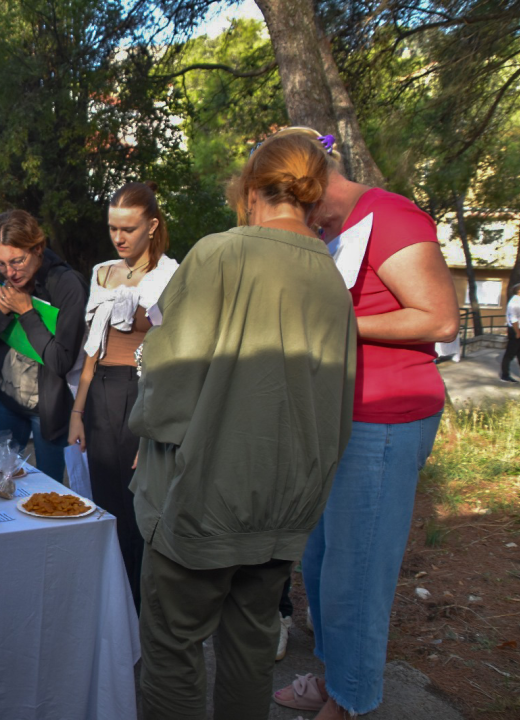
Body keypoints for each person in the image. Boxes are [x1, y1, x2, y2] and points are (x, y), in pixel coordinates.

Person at [131, 132, 357, 720]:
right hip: (286, 503)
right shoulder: (332, 278)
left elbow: (169, 382)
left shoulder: (220, 253)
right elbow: (339, 401)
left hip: (204, 495)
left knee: (173, 648)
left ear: (251, 190)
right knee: (251, 648)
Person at [274, 129, 459, 720]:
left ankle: (352, 701)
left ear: (305, 189)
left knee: (358, 571)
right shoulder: (337, 230)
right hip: (340, 420)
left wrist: (335, 322)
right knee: (323, 562)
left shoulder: (392, 216)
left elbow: (439, 318)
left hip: (385, 421)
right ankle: (335, 678)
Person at [66, 181, 178, 611]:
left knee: (138, 505)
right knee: (105, 502)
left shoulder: (172, 275)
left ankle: (141, 606)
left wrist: (155, 424)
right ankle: (113, 606)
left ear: (151, 226)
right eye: (113, 227)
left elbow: (174, 353)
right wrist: (79, 409)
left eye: (128, 228)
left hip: (145, 391)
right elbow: (93, 346)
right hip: (100, 395)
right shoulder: (101, 272)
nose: (118, 237)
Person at [0, 210, 87, 480]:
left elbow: (61, 361)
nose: (10, 272)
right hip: (5, 403)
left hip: (49, 411)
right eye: (1, 264)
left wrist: (27, 313)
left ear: (38, 248)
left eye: (17, 261)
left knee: (48, 490)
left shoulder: (67, 284)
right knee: (0, 484)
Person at [500, 283, 520, 382]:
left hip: (519, 329)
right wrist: (517, 332)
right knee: (510, 353)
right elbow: (514, 319)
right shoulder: (514, 303)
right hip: (515, 330)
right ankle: (505, 375)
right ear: (519, 291)